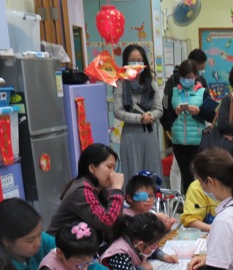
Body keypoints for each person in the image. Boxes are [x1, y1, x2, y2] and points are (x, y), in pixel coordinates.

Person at [48, 143, 124, 244]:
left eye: (114, 168)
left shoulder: (100, 190)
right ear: (92, 168)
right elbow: (108, 223)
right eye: (109, 167)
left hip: (80, 248)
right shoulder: (81, 190)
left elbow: (114, 228)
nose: (112, 173)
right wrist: (117, 190)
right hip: (60, 249)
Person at [113, 45, 163, 183]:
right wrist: (140, 118)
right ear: (126, 62)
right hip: (130, 135)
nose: (136, 63)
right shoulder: (121, 84)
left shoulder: (151, 83)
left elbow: (159, 109)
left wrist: (150, 117)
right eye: (132, 60)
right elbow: (118, 112)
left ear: (144, 63)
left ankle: (153, 201)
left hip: (149, 134)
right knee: (133, 175)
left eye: (139, 60)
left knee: (152, 172)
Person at [170, 59, 210, 193]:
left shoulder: (203, 92)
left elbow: (211, 116)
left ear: (196, 76)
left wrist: (198, 112)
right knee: (186, 177)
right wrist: (175, 113)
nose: (187, 80)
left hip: (198, 142)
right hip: (179, 142)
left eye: (190, 77)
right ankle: (189, 207)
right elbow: (166, 118)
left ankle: (201, 206)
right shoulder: (174, 91)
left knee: (199, 177)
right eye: (184, 77)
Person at [100, 213, 174, 270]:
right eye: (154, 245)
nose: (156, 247)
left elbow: (149, 251)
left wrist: (164, 256)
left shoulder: (135, 242)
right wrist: (143, 268)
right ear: (140, 245)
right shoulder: (119, 253)